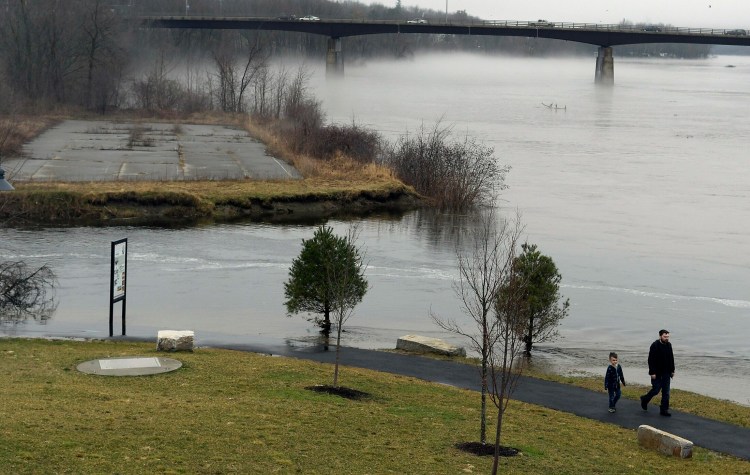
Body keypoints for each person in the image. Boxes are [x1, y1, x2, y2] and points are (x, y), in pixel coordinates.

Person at [640, 329, 675, 416]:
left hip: (666, 372)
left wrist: (672, 370)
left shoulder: (669, 345)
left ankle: (664, 410)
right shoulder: (655, 345)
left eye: (667, 337)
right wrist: (652, 372)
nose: (666, 338)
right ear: (660, 336)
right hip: (657, 372)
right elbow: (650, 360)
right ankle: (645, 399)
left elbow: (671, 358)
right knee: (656, 389)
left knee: (666, 392)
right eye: (665, 336)